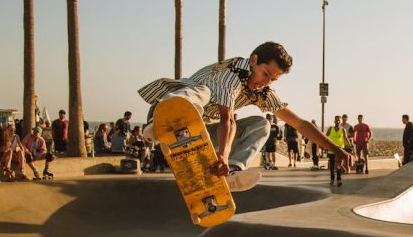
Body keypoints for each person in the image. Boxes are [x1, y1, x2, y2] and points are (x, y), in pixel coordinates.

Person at [139, 42, 352, 191]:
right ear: (253, 60)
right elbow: (227, 119)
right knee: (201, 92)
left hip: (198, 134)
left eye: (273, 80)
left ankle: (230, 173)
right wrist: (222, 153)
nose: (266, 82)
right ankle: (160, 125)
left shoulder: (262, 93)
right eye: (265, 74)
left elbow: (300, 124)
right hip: (166, 112)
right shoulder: (233, 72)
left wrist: (336, 149)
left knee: (262, 125)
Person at [325, 115, 350, 186]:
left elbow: (346, 138)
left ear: (340, 121)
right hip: (331, 149)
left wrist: (350, 146)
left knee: (339, 165)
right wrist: (324, 145)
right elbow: (326, 137)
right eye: (336, 120)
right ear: (334, 121)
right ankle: (332, 179)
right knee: (332, 166)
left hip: (340, 150)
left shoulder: (343, 130)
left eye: (339, 120)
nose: (338, 121)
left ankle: (339, 180)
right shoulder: (330, 128)